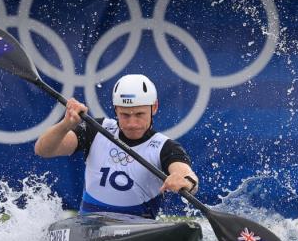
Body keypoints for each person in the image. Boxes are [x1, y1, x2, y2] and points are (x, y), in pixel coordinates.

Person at [34, 74, 198, 219]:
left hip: (137, 232)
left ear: (154, 107)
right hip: (88, 226)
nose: (132, 123)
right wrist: (65, 125)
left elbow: (187, 175)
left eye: (139, 114)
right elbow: (43, 150)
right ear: (116, 109)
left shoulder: (165, 147)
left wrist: (184, 180)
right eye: (125, 115)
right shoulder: (96, 129)